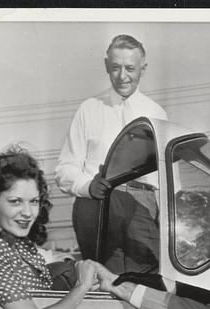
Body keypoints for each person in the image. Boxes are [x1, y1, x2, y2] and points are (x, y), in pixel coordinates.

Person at [55, 34, 168, 273]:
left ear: (143, 69)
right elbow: (65, 170)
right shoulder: (89, 108)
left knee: (147, 280)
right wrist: (88, 187)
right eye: (115, 68)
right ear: (107, 66)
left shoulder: (156, 112)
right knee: (104, 280)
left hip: (143, 205)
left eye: (130, 68)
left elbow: (167, 175)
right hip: (98, 205)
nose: (122, 76)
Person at [0, 148, 98, 309]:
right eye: (16, 202)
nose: (28, 213)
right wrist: (82, 286)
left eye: (34, 201)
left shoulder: (20, 246)